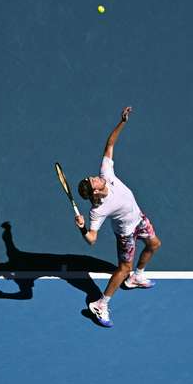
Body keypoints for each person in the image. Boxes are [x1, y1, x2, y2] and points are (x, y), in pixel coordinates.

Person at [75, 106, 161, 327]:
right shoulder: (97, 210)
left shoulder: (106, 173)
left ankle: (136, 277)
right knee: (123, 268)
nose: (95, 176)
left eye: (92, 177)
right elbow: (92, 239)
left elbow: (110, 144)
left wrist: (122, 122)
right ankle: (100, 304)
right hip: (126, 234)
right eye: (92, 180)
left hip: (138, 218)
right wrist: (83, 227)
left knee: (154, 244)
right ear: (95, 191)